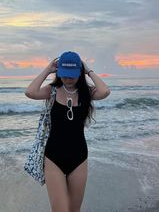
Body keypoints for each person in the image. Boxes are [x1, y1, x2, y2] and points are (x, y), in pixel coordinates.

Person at [25, 51, 111, 212]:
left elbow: (105, 91)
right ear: (59, 73)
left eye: (72, 75)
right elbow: (30, 92)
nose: (68, 79)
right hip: (53, 158)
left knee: (74, 210)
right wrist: (47, 69)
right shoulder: (52, 90)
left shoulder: (86, 93)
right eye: (64, 75)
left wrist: (89, 71)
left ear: (79, 72)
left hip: (79, 158)